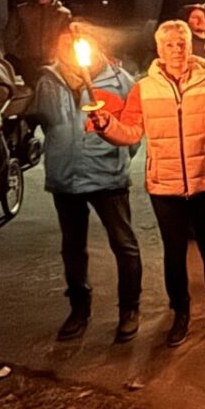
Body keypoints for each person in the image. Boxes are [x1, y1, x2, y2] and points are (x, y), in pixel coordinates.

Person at [92, 20, 205, 345]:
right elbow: (130, 131)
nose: (177, 50)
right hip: (165, 186)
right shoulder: (144, 89)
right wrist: (105, 124)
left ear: (190, 46)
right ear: (159, 50)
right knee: (174, 254)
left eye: (182, 43)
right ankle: (181, 312)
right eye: (170, 44)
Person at [29, 31, 141, 341]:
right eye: (64, 43)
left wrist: (117, 156)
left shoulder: (119, 81)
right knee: (73, 247)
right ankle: (79, 308)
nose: (72, 49)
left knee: (124, 244)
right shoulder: (48, 81)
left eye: (79, 43)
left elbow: (133, 129)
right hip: (66, 178)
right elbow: (43, 122)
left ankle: (130, 309)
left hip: (108, 177)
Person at [4, 0, 72, 82]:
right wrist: (19, 56)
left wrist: (61, 57)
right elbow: (9, 35)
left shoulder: (62, 14)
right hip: (29, 62)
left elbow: (68, 39)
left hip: (54, 62)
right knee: (33, 90)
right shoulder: (22, 11)